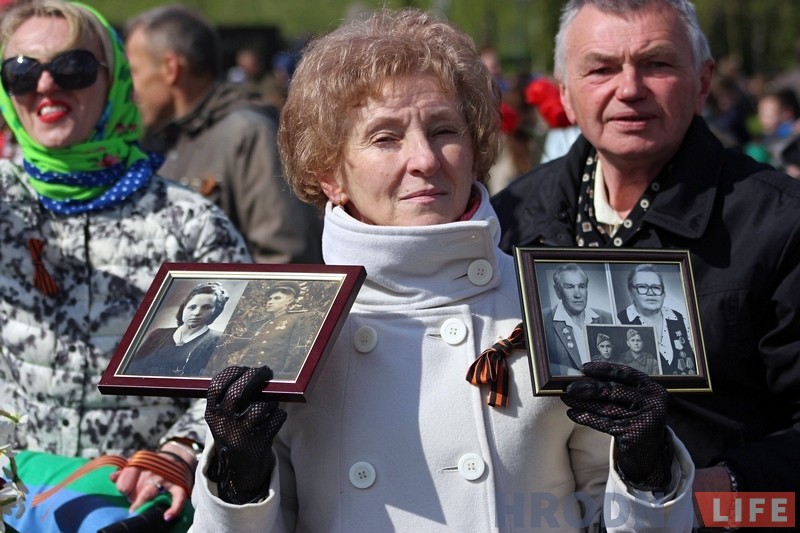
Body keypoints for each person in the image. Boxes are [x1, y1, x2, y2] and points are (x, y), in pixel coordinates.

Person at [188, 9, 696, 532]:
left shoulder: (550, 304)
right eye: (385, 138)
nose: (425, 160)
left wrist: (647, 469)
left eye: (444, 130)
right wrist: (238, 481)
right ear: (330, 174)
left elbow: (610, 517)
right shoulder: (287, 319)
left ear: (475, 149)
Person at [492, 0, 800, 503]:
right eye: (601, 69)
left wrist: (702, 492)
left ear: (703, 83)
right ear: (566, 96)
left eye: (657, 63)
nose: (629, 89)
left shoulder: (781, 223)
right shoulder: (513, 217)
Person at [0, 0, 250, 527]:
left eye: (72, 68)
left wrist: (182, 449)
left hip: (139, 506)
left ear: (114, 81)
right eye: (22, 72)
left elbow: (240, 364)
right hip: (13, 497)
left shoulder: (190, 223)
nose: (46, 87)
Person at [124, 5, 323, 264]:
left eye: (134, 72)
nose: (131, 89)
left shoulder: (247, 133)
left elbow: (284, 259)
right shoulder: (156, 142)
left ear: (170, 68)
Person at [205, 282, 315, 380]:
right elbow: (240, 343)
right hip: (247, 376)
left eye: (277, 298)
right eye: (270, 299)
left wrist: (283, 378)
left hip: (273, 377)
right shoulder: (259, 323)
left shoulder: (299, 318)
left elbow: (296, 352)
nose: (270, 302)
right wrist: (217, 345)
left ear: (290, 301)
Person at [127, 282, 230, 377]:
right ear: (184, 307)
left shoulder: (220, 341)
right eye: (192, 307)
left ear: (216, 311)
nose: (197, 313)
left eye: (206, 307)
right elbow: (132, 370)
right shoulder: (158, 334)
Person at [618, 264, 695, 376]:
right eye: (642, 287)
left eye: (656, 287)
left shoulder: (680, 318)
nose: (651, 293)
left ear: (663, 293)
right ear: (631, 292)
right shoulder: (619, 320)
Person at [544, 263, 612, 375]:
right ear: (557, 291)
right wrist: (567, 372)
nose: (578, 294)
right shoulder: (543, 319)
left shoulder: (607, 318)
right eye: (570, 287)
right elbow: (537, 363)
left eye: (581, 286)